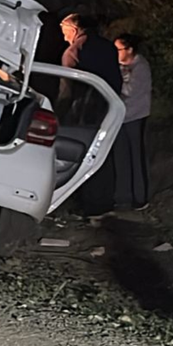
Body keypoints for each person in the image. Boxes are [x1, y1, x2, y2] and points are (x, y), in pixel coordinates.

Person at [59, 13, 123, 217]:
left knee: (83, 154)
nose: (64, 37)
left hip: (84, 112)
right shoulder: (108, 47)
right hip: (109, 108)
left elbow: (66, 89)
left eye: (65, 32)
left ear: (74, 29)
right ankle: (106, 202)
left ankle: (88, 204)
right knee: (104, 154)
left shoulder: (73, 51)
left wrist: (59, 112)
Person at [113, 33, 152, 210]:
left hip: (136, 116)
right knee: (121, 157)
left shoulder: (140, 66)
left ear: (129, 49)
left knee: (136, 156)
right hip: (119, 118)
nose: (116, 53)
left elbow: (130, 91)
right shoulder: (118, 65)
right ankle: (122, 196)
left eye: (118, 49)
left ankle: (140, 197)